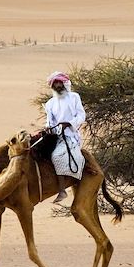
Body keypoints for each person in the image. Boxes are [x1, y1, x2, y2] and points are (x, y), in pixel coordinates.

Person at [44, 71, 86, 203]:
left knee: (57, 156)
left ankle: (62, 190)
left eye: (59, 82)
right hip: (54, 135)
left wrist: (68, 124)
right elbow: (50, 121)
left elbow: (81, 116)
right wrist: (48, 128)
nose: (57, 85)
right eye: (55, 83)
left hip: (70, 135)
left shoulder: (74, 97)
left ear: (64, 83)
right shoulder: (50, 103)